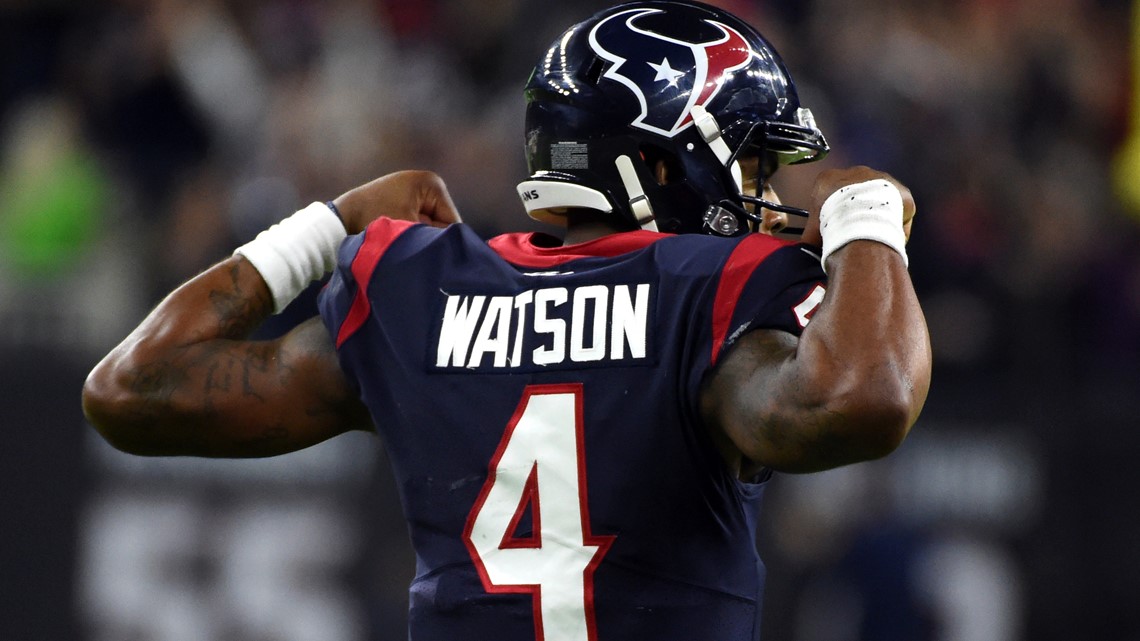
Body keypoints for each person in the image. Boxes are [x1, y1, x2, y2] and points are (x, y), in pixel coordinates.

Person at [82, 1, 931, 639]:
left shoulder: (418, 287)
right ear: (662, 160)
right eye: (747, 161)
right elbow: (862, 398)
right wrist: (865, 223)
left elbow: (132, 386)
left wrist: (326, 224)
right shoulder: (709, 292)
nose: (764, 192)